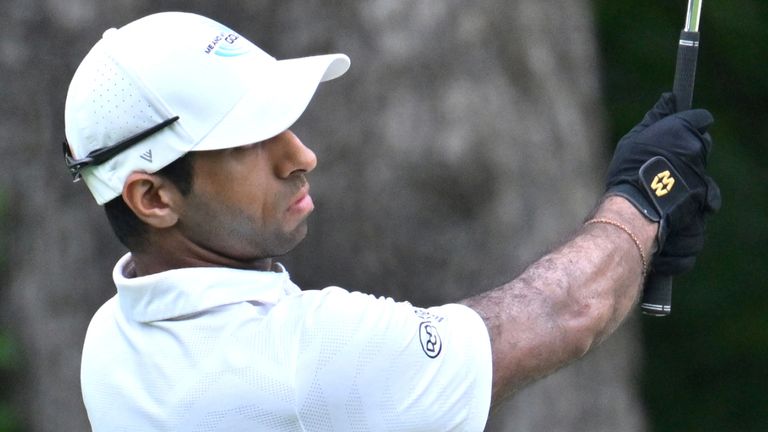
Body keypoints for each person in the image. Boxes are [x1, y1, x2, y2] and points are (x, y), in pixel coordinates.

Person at [63, 11, 720, 432]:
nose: (300, 155)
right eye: (248, 139)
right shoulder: (302, 358)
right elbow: (565, 313)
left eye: (283, 123)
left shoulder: (110, 344)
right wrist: (645, 199)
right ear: (152, 198)